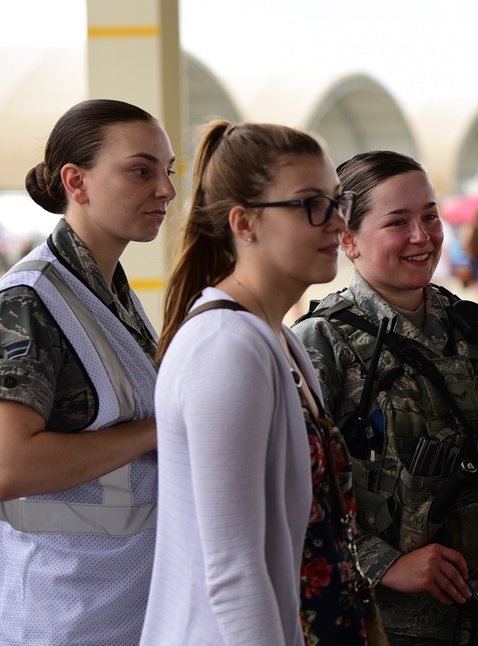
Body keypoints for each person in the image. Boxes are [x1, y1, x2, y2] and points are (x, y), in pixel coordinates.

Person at [292, 150, 478, 645]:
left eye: (430, 216)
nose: (422, 236)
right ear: (348, 239)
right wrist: (387, 565)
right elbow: (293, 501)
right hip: (381, 627)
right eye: (398, 222)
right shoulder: (323, 345)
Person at [139, 121, 361, 645]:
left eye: (338, 201)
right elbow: (233, 568)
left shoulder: (277, 337)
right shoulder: (225, 347)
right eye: (312, 204)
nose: (337, 224)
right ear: (245, 222)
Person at [0, 99, 173, 645]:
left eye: (168, 172)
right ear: (77, 182)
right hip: (65, 613)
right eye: (141, 170)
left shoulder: (111, 293)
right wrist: (155, 430)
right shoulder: (31, 299)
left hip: (126, 603)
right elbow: (9, 464)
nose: (166, 189)